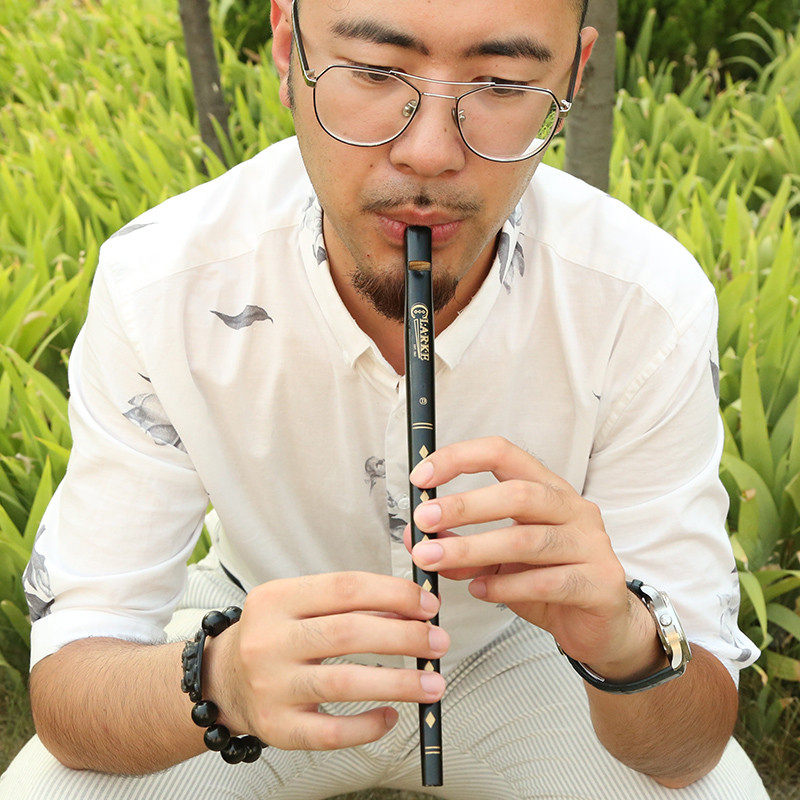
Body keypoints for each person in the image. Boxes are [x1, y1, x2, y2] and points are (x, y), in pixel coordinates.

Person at [0, 0, 771, 797]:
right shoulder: (163, 282)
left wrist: (629, 645)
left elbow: (689, 751)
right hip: (251, 616)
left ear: (572, 76)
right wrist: (220, 678)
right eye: (372, 72)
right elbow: (72, 681)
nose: (429, 153)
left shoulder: (643, 300)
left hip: (524, 646)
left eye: (503, 84)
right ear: (287, 48)